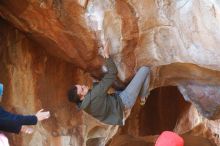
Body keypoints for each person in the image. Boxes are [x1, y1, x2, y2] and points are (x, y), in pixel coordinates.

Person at [68, 41, 150, 125]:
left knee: (124, 85)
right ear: (81, 97)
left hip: (117, 108)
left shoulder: (83, 106)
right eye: (82, 89)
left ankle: (139, 95)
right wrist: (107, 56)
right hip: (125, 100)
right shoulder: (95, 94)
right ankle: (143, 97)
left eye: (80, 85)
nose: (84, 86)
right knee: (145, 69)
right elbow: (113, 72)